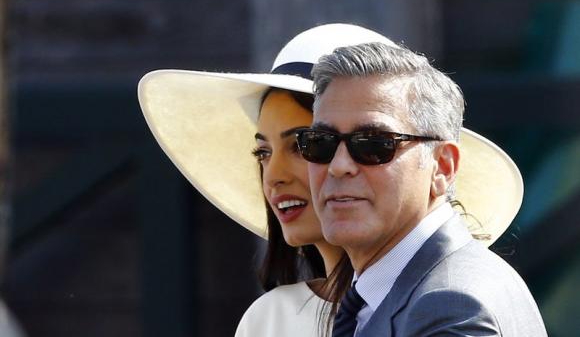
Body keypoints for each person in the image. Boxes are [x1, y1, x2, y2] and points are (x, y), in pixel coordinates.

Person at [138, 24, 397, 336]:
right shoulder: (269, 321)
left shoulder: (439, 305)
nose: (273, 176)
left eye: (305, 145)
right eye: (262, 152)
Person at [296, 42, 548, 336]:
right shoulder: (404, 293)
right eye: (320, 142)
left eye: (375, 144)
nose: (339, 166)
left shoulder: (452, 305)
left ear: (442, 167)